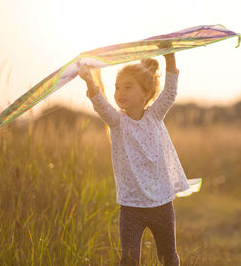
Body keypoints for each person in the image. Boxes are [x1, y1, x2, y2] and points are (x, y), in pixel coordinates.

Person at [78, 50, 189, 266]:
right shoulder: (117, 123)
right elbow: (101, 104)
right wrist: (89, 81)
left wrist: (170, 57)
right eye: (117, 87)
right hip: (131, 207)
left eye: (128, 87)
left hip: (162, 204)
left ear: (146, 93)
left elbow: (170, 92)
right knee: (129, 260)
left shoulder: (155, 115)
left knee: (169, 257)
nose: (120, 92)